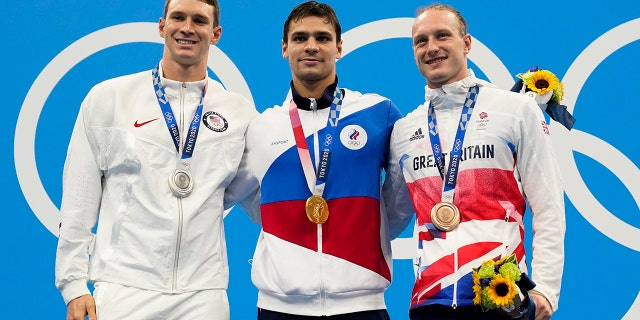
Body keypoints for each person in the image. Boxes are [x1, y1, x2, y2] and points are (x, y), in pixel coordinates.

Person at [54, 0, 257, 319]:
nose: (187, 28)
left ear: (215, 33)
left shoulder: (238, 113)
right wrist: (73, 284)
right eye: (178, 17)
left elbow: (260, 200)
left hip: (203, 294)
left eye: (199, 21)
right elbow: (79, 200)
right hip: (125, 287)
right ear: (162, 26)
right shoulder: (109, 98)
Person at [224, 1, 414, 319]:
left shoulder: (378, 113)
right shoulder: (261, 127)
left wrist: (372, 232)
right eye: (300, 38)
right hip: (279, 306)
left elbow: (400, 195)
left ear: (339, 47)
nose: (311, 46)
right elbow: (251, 200)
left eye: (322, 38)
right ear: (285, 48)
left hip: (362, 304)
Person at [389, 4, 565, 320]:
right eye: (421, 41)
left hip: (501, 296)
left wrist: (546, 290)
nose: (432, 48)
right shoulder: (404, 131)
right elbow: (391, 216)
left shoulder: (514, 110)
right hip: (431, 301)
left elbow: (548, 203)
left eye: (442, 36)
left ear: (466, 43)